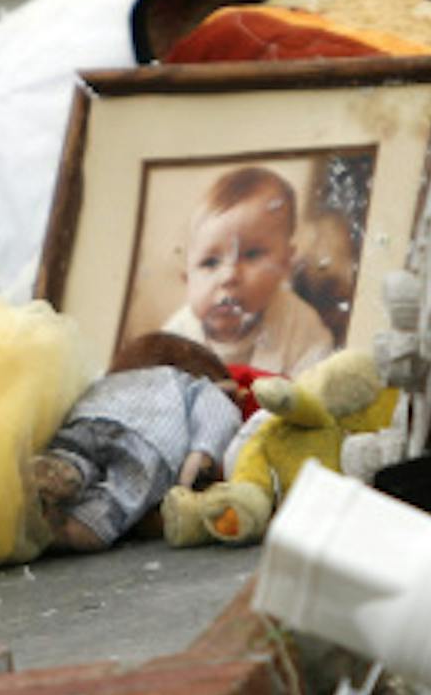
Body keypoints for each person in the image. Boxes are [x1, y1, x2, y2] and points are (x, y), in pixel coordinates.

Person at [29, 333, 244, 553]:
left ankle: (65, 467)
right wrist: (202, 453)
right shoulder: (194, 386)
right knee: (126, 488)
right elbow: (218, 414)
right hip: (148, 436)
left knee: (77, 450)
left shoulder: (112, 381)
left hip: (92, 413)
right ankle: (79, 526)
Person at [161, 165, 337, 375]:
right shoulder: (175, 338)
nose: (228, 276)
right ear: (186, 278)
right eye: (209, 263)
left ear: (285, 263)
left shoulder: (299, 324)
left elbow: (320, 382)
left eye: (252, 255)